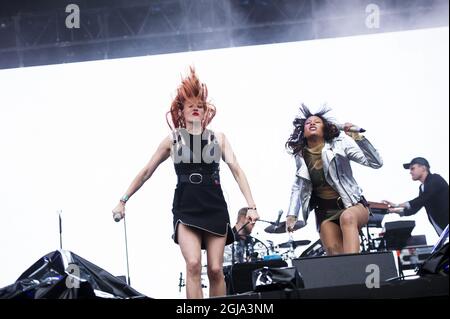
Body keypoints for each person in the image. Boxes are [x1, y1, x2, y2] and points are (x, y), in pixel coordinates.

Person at [111, 68, 259, 299]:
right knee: (192, 264)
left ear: (205, 110)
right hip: (186, 205)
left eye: (200, 104)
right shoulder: (173, 139)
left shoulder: (218, 138)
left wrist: (251, 205)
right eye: (190, 104)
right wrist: (123, 201)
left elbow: (237, 170)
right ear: (181, 110)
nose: (196, 107)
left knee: (216, 269)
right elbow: (146, 171)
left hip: (214, 204)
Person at [284, 104, 383, 255]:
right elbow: (298, 185)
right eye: (308, 122)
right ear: (303, 132)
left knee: (347, 217)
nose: (312, 123)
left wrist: (358, 138)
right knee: (335, 254)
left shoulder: (339, 146)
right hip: (325, 212)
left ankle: (355, 267)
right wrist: (292, 214)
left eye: (317, 122)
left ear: (325, 129)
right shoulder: (301, 155)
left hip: (351, 205)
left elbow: (375, 163)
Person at [383, 157, 449, 236]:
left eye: (412, 168)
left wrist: (396, 204)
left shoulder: (435, 179)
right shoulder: (422, 188)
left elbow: (422, 199)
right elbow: (414, 209)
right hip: (444, 232)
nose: (410, 172)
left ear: (423, 168)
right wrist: (391, 211)